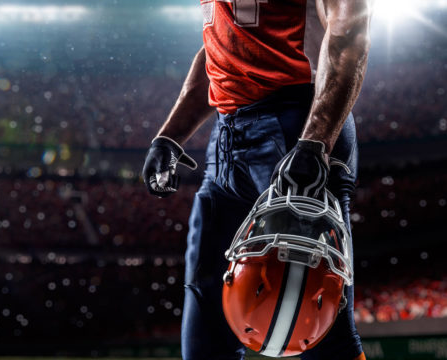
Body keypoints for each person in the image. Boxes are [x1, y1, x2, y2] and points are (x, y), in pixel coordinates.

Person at [142, 0, 372, 359]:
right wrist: (170, 135)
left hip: (299, 122)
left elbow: (348, 32)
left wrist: (315, 140)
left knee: (319, 321)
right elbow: (221, 48)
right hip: (227, 134)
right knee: (207, 311)